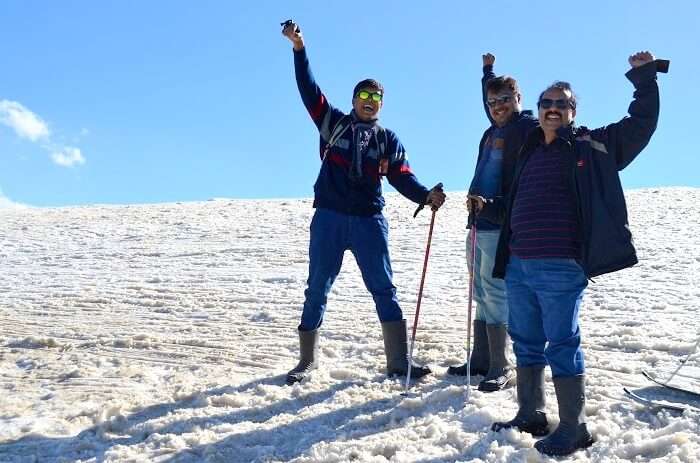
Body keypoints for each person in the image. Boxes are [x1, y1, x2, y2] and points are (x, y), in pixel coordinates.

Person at [490, 51, 662, 456]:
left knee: (562, 342)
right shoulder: (528, 151)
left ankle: (574, 427)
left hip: (560, 265)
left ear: (572, 110)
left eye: (561, 103)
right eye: (546, 103)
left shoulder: (591, 145)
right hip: (518, 264)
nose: (552, 109)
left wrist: (645, 79)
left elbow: (641, 125)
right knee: (525, 340)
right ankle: (531, 413)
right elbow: (522, 200)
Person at [281, 21, 446, 386]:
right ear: (354, 99)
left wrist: (425, 196)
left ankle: (398, 362)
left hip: (370, 221)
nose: (369, 104)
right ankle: (306, 361)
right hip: (330, 218)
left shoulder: (388, 140)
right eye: (364, 98)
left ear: (381, 105)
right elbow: (309, 89)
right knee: (317, 287)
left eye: (376, 100)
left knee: (384, 288)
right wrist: (299, 48)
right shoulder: (333, 123)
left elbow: (402, 176)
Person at [447, 53, 537, 393]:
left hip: (501, 221)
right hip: (478, 222)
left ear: (519, 99)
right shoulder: (492, 130)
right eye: (492, 101)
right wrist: (487, 72)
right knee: (480, 289)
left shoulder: (525, 129)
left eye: (505, 99)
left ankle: (501, 364)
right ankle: (481, 359)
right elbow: (491, 93)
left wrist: (495, 206)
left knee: (496, 290)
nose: (497, 105)